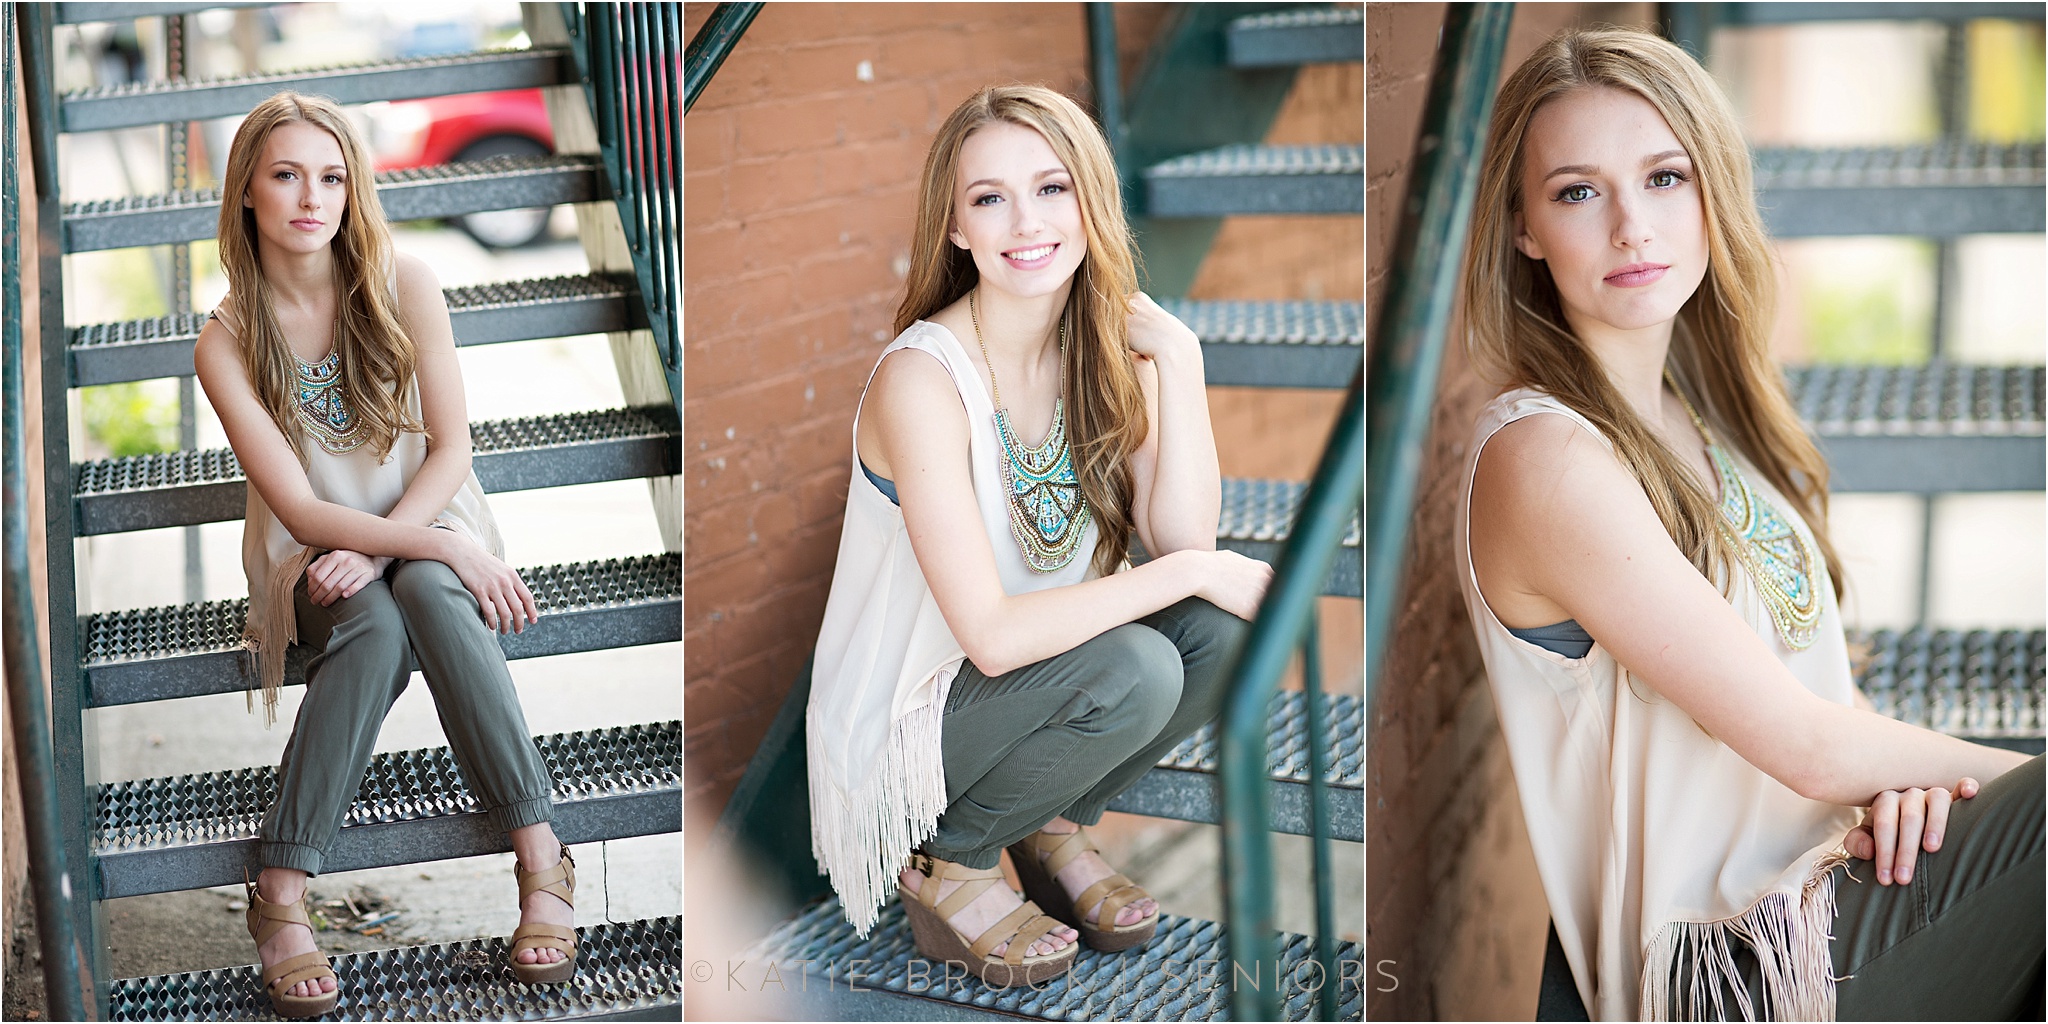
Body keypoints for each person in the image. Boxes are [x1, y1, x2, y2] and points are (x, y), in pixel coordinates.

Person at [1453, 28, 2043, 1022]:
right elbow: (1804, 746)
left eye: (1663, 177)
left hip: (1837, 872)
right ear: (1521, 227)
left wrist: (1898, 783)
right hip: (1732, 961)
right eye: (1576, 192)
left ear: (1709, 188)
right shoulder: (1543, 455)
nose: (1632, 228)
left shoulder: (1695, 417)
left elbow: (1816, 710)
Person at [804, 84, 1271, 986]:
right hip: (913, 722)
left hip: (1033, 690)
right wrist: (1196, 572)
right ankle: (955, 860)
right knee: (1138, 663)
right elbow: (991, 635)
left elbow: (1180, 538)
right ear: (954, 227)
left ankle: (1049, 825)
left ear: (1091, 202)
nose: (1026, 221)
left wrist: (1182, 361)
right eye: (990, 198)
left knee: (1222, 634)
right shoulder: (922, 381)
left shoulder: (1100, 349)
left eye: (1053, 189)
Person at [193, 91, 580, 1017]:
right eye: (285, 175)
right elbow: (294, 505)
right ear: (247, 190)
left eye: (331, 177)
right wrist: (382, 557)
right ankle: (283, 891)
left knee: (436, 596)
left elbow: (451, 451)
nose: (309, 197)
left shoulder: (404, 281)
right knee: (370, 628)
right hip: (311, 555)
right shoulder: (226, 342)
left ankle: (540, 858)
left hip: (430, 518)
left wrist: (406, 548)